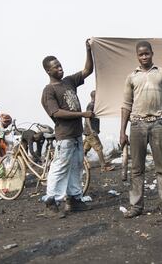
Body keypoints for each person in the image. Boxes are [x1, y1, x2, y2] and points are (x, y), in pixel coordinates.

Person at [120, 40, 162, 218]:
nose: (144, 57)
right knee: (137, 169)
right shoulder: (132, 76)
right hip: (137, 124)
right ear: (137, 56)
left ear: (152, 53)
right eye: (141, 54)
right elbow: (125, 104)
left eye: (147, 53)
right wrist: (122, 131)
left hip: (157, 124)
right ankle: (136, 206)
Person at [41, 39, 94, 218]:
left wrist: (88, 50)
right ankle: (51, 202)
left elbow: (87, 70)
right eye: (55, 67)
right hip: (64, 136)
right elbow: (56, 113)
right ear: (48, 71)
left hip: (77, 135)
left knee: (76, 167)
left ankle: (74, 199)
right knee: (60, 167)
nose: (60, 68)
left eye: (60, 65)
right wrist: (82, 115)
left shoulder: (69, 81)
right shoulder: (49, 90)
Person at [83, 90, 115, 172]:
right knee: (99, 148)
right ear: (95, 96)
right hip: (90, 132)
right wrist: (91, 130)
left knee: (85, 149)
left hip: (90, 131)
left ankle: (78, 164)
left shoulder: (95, 106)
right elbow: (87, 118)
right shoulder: (91, 105)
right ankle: (103, 167)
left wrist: (96, 129)